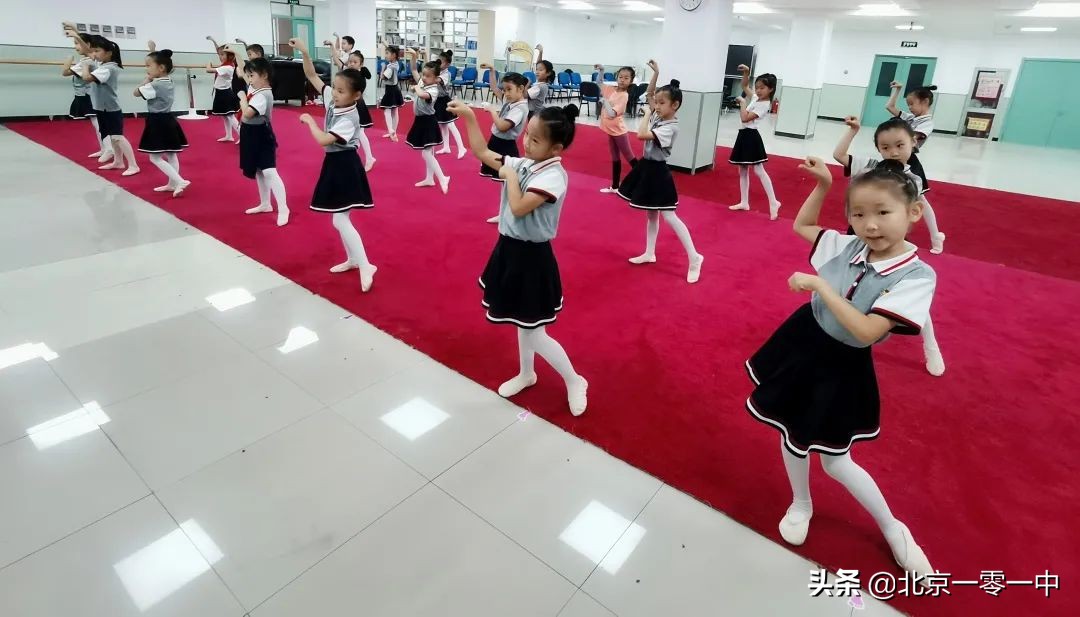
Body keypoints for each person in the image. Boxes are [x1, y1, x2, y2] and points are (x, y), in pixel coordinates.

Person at [743, 154, 936, 583]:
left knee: (836, 459)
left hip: (842, 363)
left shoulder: (918, 275)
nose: (869, 225)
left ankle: (892, 527)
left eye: (883, 213)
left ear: (914, 212)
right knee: (791, 433)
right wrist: (824, 187)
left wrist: (819, 286)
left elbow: (867, 331)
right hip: (804, 340)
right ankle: (801, 502)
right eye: (858, 214)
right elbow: (802, 227)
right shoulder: (852, 245)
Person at [448, 98, 589, 417]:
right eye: (527, 134)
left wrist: (511, 178)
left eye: (535, 139)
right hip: (509, 250)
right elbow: (483, 153)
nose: (526, 142)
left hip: (532, 257)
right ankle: (528, 373)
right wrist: (470, 117)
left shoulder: (553, 176)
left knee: (534, 331)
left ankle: (575, 379)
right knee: (522, 321)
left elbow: (519, 206)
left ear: (557, 149)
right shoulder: (527, 163)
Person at [834, 116, 946, 377]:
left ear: (914, 143)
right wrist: (853, 131)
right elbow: (839, 155)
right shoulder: (870, 165)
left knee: (911, 293)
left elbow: (911, 214)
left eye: (899, 145)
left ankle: (931, 346)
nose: (893, 152)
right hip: (861, 237)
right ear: (878, 149)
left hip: (892, 244)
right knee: (846, 284)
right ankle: (839, 330)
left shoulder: (913, 180)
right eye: (885, 147)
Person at [291, 38, 378, 292]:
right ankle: (353, 260)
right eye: (335, 88)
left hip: (345, 165)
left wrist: (309, 121)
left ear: (357, 95)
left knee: (340, 220)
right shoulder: (333, 99)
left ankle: (365, 265)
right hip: (334, 163)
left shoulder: (349, 117)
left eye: (341, 91)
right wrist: (305, 52)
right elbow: (310, 74)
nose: (334, 93)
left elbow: (322, 140)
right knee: (338, 218)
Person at [616, 61, 704, 284]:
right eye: (657, 103)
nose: (656, 105)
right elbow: (650, 93)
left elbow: (641, 134)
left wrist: (646, 113)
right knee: (651, 214)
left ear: (674, 105)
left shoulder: (670, 126)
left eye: (661, 103)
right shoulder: (661, 115)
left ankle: (695, 257)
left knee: (669, 216)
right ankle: (650, 252)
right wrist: (657, 73)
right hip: (647, 168)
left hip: (658, 173)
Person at [886, 81, 945, 254]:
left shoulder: (926, 123)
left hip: (909, 163)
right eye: (908, 104)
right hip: (894, 160)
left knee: (921, 201)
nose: (910, 108)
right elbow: (890, 106)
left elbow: (907, 140)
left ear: (925, 102)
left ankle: (936, 236)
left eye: (912, 103)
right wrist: (897, 90)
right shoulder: (911, 118)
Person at [237, 57, 289, 226]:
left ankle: (283, 208)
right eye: (248, 76)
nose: (249, 80)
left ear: (264, 75)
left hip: (261, 134)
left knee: (269, 171)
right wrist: (238, 53)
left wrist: (242, 98)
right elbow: (245, 74)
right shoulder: (256, 88)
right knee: (258, 170)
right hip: (250, 133)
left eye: (252, 76)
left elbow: (247, 114)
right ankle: (265, 203)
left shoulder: (263, 94)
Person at [134, 42, 189, 196]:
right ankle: (172, 184)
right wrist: (153, 52)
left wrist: (146, 80)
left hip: (157, 121)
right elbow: (159, 66)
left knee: (154, 157)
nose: (147, 69)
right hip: (169, 119)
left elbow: (136, 93)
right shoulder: (168, 80)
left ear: (161, 68)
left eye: (148, 66)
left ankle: (179, 181)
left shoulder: (155, 85)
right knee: (171, 154)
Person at [81, 36, 140, 176]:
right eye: (93, 51)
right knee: (111, 136)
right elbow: (87, 51)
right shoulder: (102, 65)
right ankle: (118, 161)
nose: (94, 54)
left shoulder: (108, 68)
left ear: (108, 53)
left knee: (118, 137)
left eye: (97, 51)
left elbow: (87, 78)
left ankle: (133, 165)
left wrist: (84, 66)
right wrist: (77, 35)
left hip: (110, 108)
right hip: (102, 107)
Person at [728, 64, 781, 219]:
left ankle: (773, 201)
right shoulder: (757, 98)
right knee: (743, 171)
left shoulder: (764, 105)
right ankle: (744, 202)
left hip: (751, 137)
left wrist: (743, 103)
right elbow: (744, 85)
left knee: (759, 170)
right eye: (757, 87)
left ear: (770, 89)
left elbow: (745, 118)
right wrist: (746, 72)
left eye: (762, 88)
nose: (758, 90)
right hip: (744, 135)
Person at [60, 25, 112, 162]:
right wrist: (75, 32)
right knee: (96, 124)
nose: (76, 46)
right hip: (87, 95)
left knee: (98, 124)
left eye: (77, 43)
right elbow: (66, 72)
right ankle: (104, 148)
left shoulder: (91, 59)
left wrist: (69, 59)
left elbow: (65, 71)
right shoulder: (85, 60)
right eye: (74, 43)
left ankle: (109, 149)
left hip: (93, 96)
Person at [403, 52, 450, 194]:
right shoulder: (423, 82)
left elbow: (423, 95)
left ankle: (442, 177)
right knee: (429, 151)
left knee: (426, 153)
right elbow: (413, 70)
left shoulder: (434, 89)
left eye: (428, 76)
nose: (423, 78)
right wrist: (414, 58)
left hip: (428, 122)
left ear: (436, 78)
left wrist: (416, 88)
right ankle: (430, 178)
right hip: (420, 121)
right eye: (423, 75)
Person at [594, 63, 637, 194]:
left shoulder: (624, 95)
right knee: (615, 157)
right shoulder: (612, 89)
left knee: (630, 158)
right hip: (610, 130)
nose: (622, 80)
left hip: (619, 132)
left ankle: (647, 182)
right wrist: (602, 70)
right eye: (620, 77)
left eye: (626, 78)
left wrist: (604, 101)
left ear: (631, 81)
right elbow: (599, 82)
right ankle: (615, 186)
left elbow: (612, 113)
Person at [206, 36, 241, 142]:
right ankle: (229, 136)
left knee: (230, 116)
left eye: (222, 55)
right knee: (225, 116)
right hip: (221, 92)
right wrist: (213, 41)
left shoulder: (227, 67)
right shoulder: (225, 64)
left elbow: (208, 70)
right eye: (220, 54)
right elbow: (218, 50)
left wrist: (208, 64)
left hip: (225, 94)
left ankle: (243, 135)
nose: (220, 56)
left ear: (229, 56)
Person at [434, 49, 466, 158]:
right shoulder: (437, 71)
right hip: (437, 100)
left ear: (447, 64)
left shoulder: (446, 74)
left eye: (441, 62)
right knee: (442, 125)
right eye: (438, 60)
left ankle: (461, 148)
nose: (439, 63)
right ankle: (446, 147)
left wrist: (428, 73)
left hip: (444, 101)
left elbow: (436, 80)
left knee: (451, 125)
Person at [378, 45, 404, 141]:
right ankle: (394, 133)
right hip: (396, 89)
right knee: (395, 111)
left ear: (393, 55)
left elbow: (382, 77)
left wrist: (382, 67)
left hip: (390, 90)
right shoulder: (396, 63)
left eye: (387, 53)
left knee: (387, 111)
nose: (386, 55)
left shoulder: (390, 67)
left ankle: (391, 130)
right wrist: (385, 43)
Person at [527, 44, 553, 120]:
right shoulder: (541, 83)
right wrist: (540, 52)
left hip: (534, 113)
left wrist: (527, 85)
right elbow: (539, 64)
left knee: (532, 129)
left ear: (548, 73)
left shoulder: (539, 86)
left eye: (540, 70)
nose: (537, 72)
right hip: (536, 112)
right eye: (537, 70)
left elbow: (525, 95)